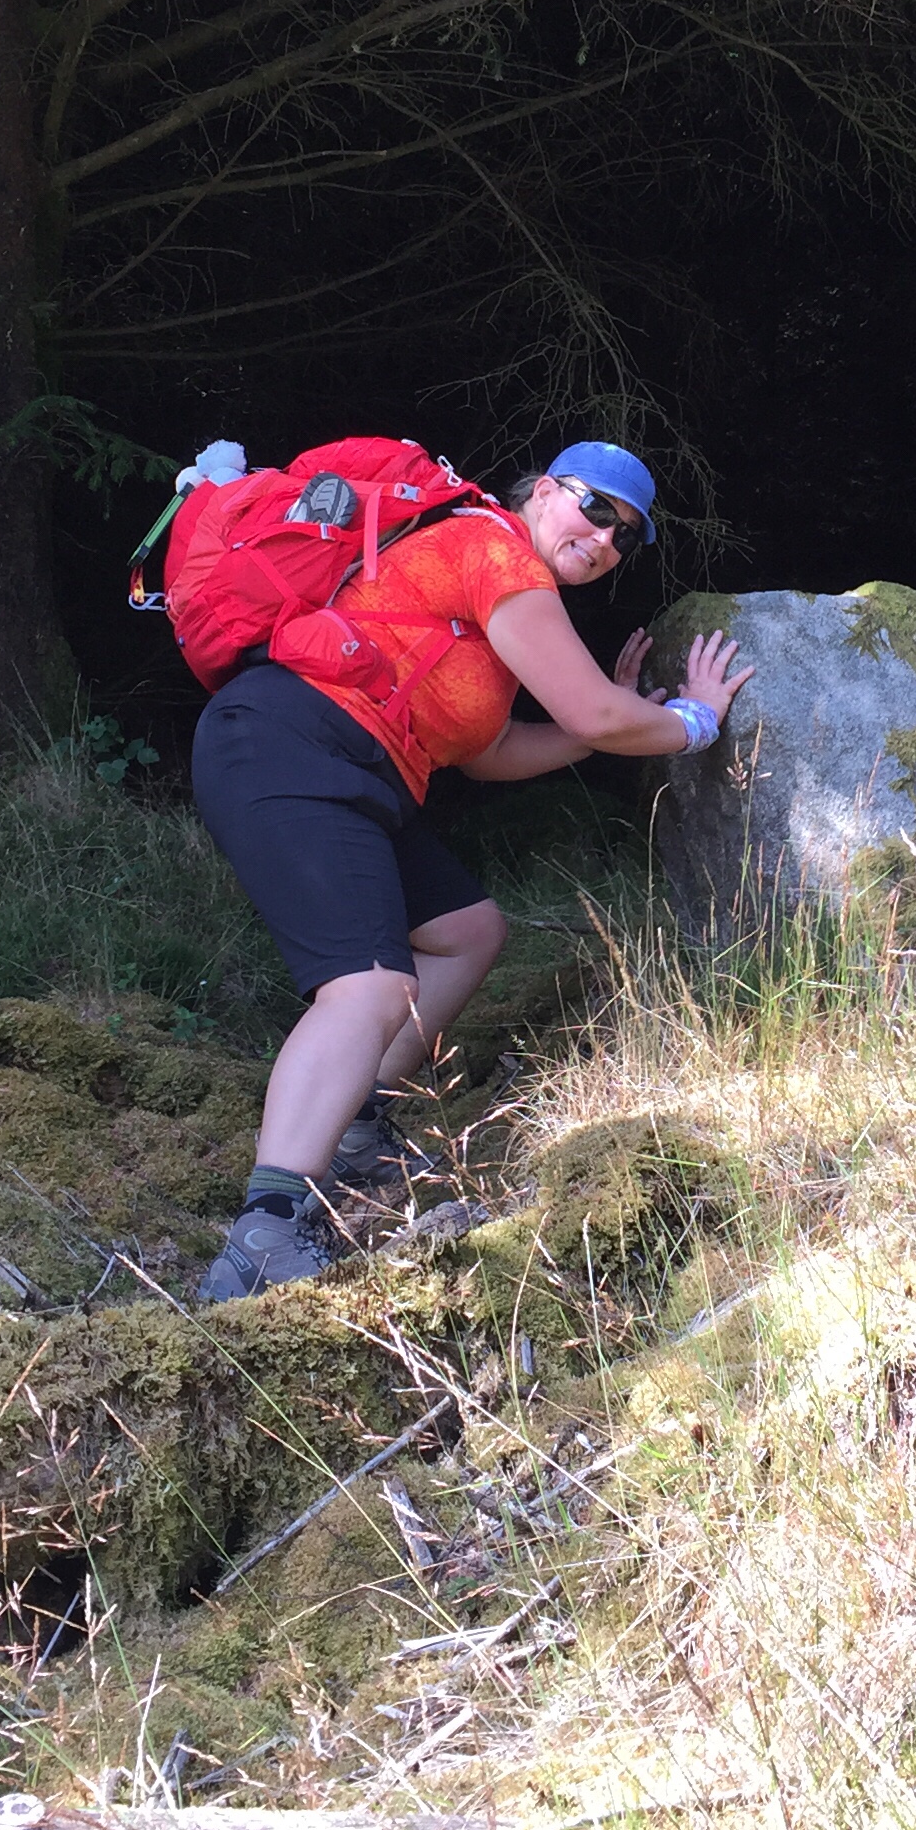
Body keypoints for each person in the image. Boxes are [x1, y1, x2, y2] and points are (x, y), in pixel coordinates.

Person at [188, 439, 752, 1301]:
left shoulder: (489, 617)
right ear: (544, 491)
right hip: (288, 743)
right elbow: (591, 711)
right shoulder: (493, 549)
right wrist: (692, 721)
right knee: (368, 989)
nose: (605, 538)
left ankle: (352, 1127)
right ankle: (265, 1231)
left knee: (465, 933)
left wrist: (605, 722)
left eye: (626, 535)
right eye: (595, 508)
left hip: (354, 772)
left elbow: (489, 751)